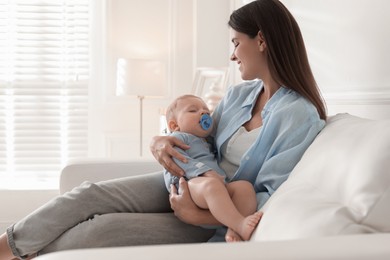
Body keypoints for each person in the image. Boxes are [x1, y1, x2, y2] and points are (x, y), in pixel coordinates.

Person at [0, 0, 326, 259]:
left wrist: (197, 216)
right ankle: (5, 249)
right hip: (184, 177)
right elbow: (200, 135)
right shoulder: (241, 94)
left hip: (215, 212)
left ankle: (26, 254)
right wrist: (159, 140)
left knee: (101, 231)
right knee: (88, 194)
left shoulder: (299, 115)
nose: (232, 54)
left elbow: (266, 197)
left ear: (262, 41)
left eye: (236, 43)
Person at [164, 94, 262, 242]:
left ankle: (233, 231)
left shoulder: (206, 142)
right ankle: (240, 224)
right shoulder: (179, 137)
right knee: (211, 185)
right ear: (174, 125)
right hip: (188, 186)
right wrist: (205, 172)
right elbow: (177, 158)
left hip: (214, 189)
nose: (203, 113)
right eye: (193, 111)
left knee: (244, 188)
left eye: (206, 111)